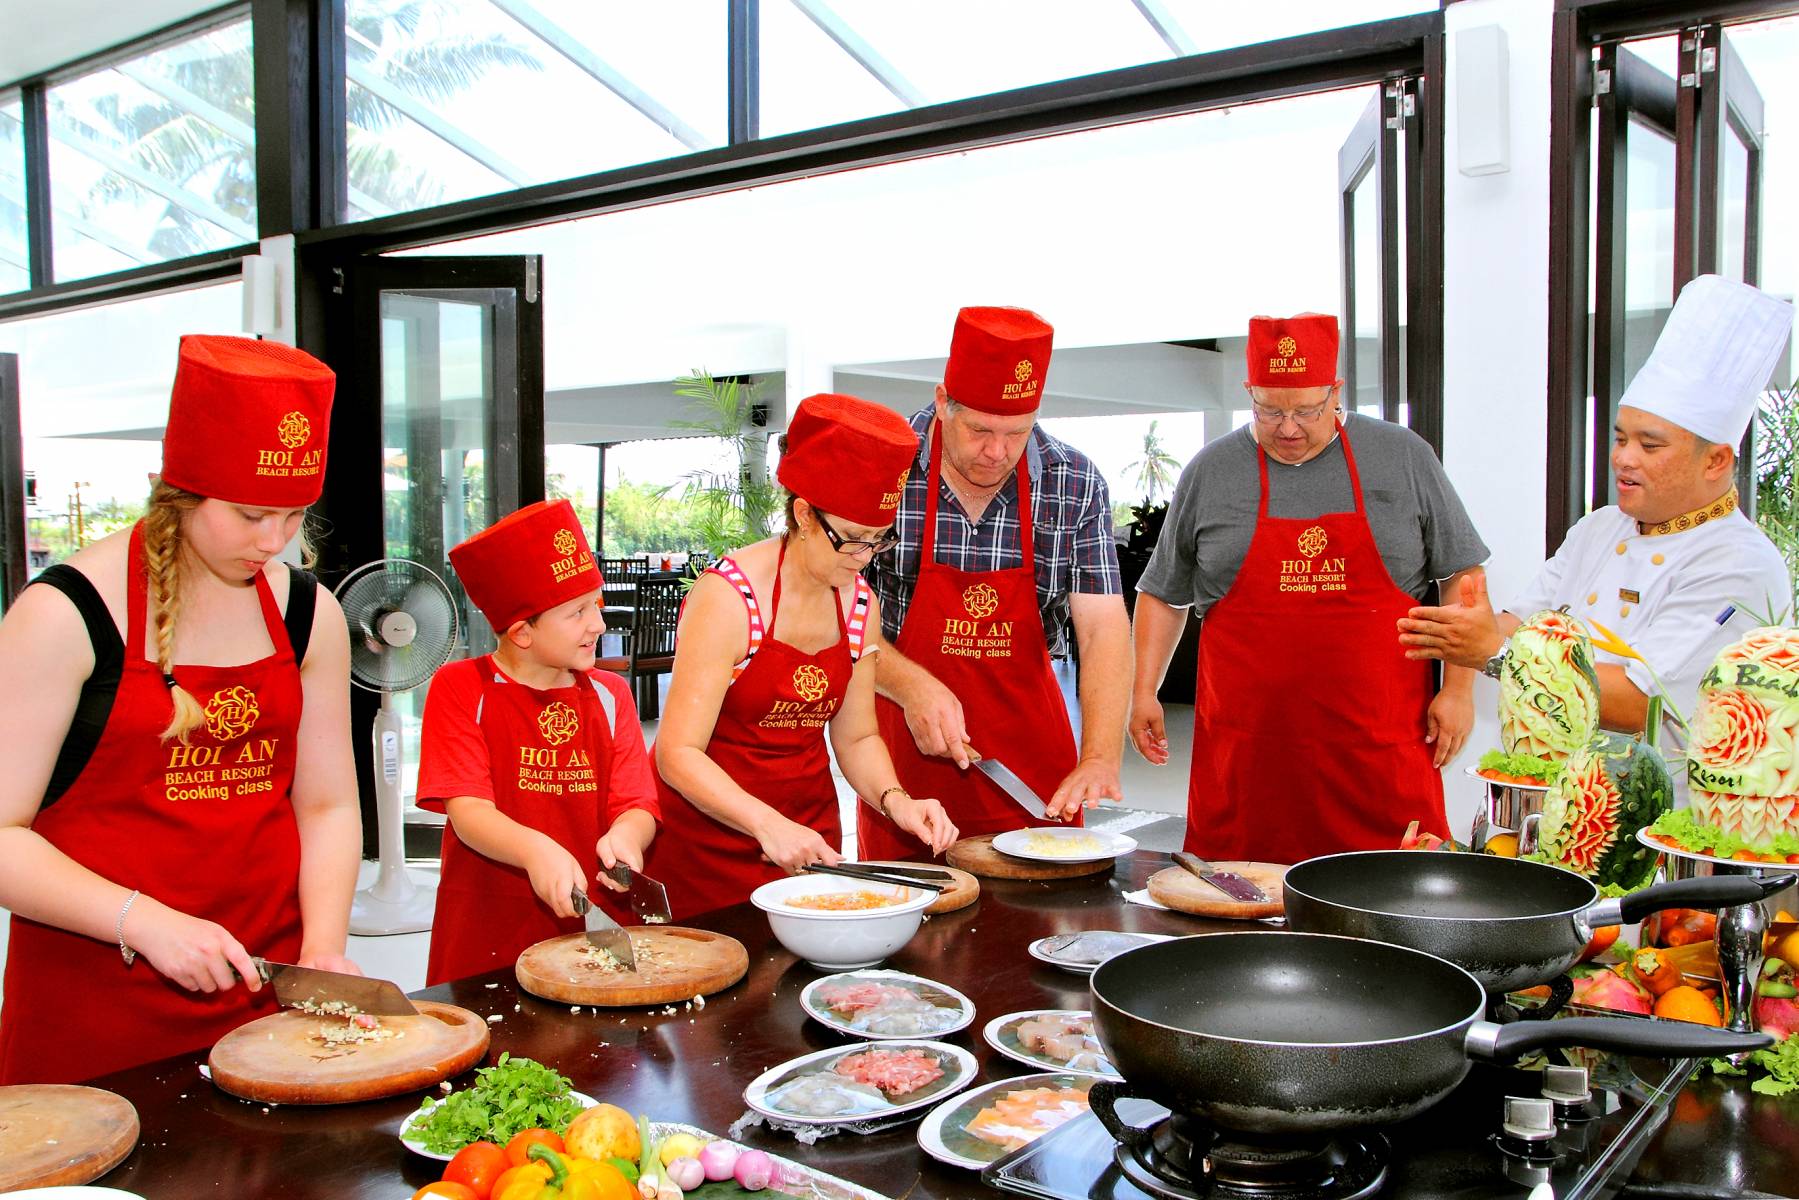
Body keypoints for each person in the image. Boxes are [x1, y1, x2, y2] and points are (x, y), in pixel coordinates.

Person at [0, 336, 362, 1083]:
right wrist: (146, 923)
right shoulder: (64, 614)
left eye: (294, 516)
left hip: (267, 994)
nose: (274, 542)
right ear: (184, 490)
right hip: (97, 1007)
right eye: (250, 514)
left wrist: (321, 951)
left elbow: (325, 806)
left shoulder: (307, 615)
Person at [1130, 314, 1489, 863]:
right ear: (1249, 392)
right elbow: (1163, 591)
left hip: (1379, 756)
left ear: (1336, 392)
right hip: (1248, 768)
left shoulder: (1403, 456)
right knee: (1239, 915)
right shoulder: (1211, 471)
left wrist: (1459, 690)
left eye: (1306, 410)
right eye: (1270, 411)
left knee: (1390, 909)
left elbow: (1461, 577)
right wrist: (1143, 690)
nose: (1288, 427)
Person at [1399, 274, 1795, 756]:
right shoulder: (1601, 527)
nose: (1624, 458)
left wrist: (1495, 654)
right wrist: (1470, 628)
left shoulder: (1739, 563)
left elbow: (1643, 704)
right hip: (1572, 790)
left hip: (1664, 813)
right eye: (1621, 438)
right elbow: (1526, 625)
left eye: (1649, 445)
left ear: (1716, 461)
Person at [647, 393, 958, 920]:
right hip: (708, 842)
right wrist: (765, 822)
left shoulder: (859, 603)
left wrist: (898, 801)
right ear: (804, 515)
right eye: (853, 540)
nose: (864, 561)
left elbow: (857, 736)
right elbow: (677, 753)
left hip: (809, 840)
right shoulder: (728, 598)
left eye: (879, 542)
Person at [857, 306, 1132, 860]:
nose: (997, 452)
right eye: (980, 429)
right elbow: (834, 613)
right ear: (942, 402)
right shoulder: (883, 468)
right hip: (904, 767)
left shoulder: (1072, 481)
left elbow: (1103, 628)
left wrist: (1100, 754)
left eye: (1017, 432)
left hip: (1033, 768)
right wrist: (911, 686)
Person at [417, 499, 660, 985]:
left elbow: (637, 801)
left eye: (597, 604)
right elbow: (469, 813)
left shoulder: (610, 693)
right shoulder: (463, 687)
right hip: (488, 925)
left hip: (596, 921)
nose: (599, 623)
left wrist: (628, 837)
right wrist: (535, 851)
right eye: (577, 612)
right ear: (521, 632)